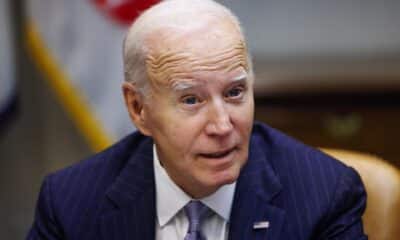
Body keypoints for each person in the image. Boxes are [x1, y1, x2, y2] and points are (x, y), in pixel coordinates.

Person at [27, 0, 367, 239]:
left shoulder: (324, 194)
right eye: (191, 100)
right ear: (138, 109)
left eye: (235, 93)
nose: (222, 126)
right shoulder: (72, 203)